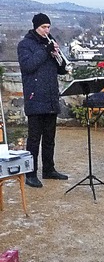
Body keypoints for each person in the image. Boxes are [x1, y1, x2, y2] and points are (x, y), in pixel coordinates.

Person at [17, 13, 69, 188]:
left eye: (48, 27)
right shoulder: (25, 44)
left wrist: (58, 57)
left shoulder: (49, 43)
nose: (47, 30)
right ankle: (30, 173)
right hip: (35, 96)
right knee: (34, 139)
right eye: (43, 27)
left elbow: (60, 69)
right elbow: (28, 66)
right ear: (35, 27)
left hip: (51, 96)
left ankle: (49, 169)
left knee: (49, 138)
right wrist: (45, 51)